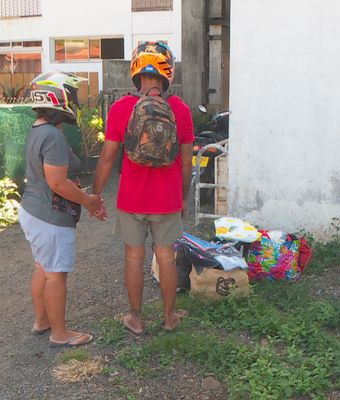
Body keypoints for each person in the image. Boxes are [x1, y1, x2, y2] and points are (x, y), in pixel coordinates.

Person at [92, 42, 195, 334]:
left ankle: (136, 318)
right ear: (167, 72)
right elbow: (186, 163)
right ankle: (169, 317)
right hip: (167, 199)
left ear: (136, 71)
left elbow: (108, 158)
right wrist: (182, 197)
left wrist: (95, 195)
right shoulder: (181, 110)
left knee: (134, 257)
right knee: (166, 257)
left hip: (131, 199)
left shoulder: (121, 108)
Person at [19, 71, 104, 347]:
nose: (75, 99)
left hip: (34, 210)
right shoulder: (53, 137)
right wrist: (89, 200)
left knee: (43, 268)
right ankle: (59, 333)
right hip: (50, 216)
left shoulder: (38, 130)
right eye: (71, 93)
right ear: (58, 97)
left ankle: (42, 321)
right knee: (55, 274)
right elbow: (57, 182)